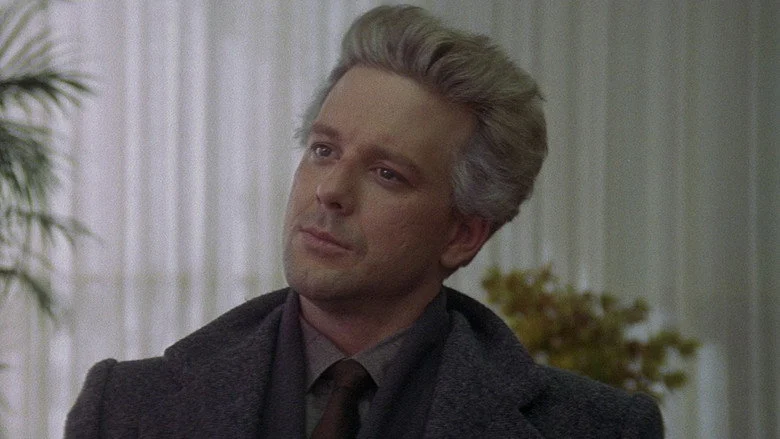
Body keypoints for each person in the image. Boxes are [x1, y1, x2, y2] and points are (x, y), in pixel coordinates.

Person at [65, 5, 663, 438]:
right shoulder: (123, 409)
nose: (329, 191)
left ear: (462, 234)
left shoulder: (599, 428)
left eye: (386, 174)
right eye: (323, 150)